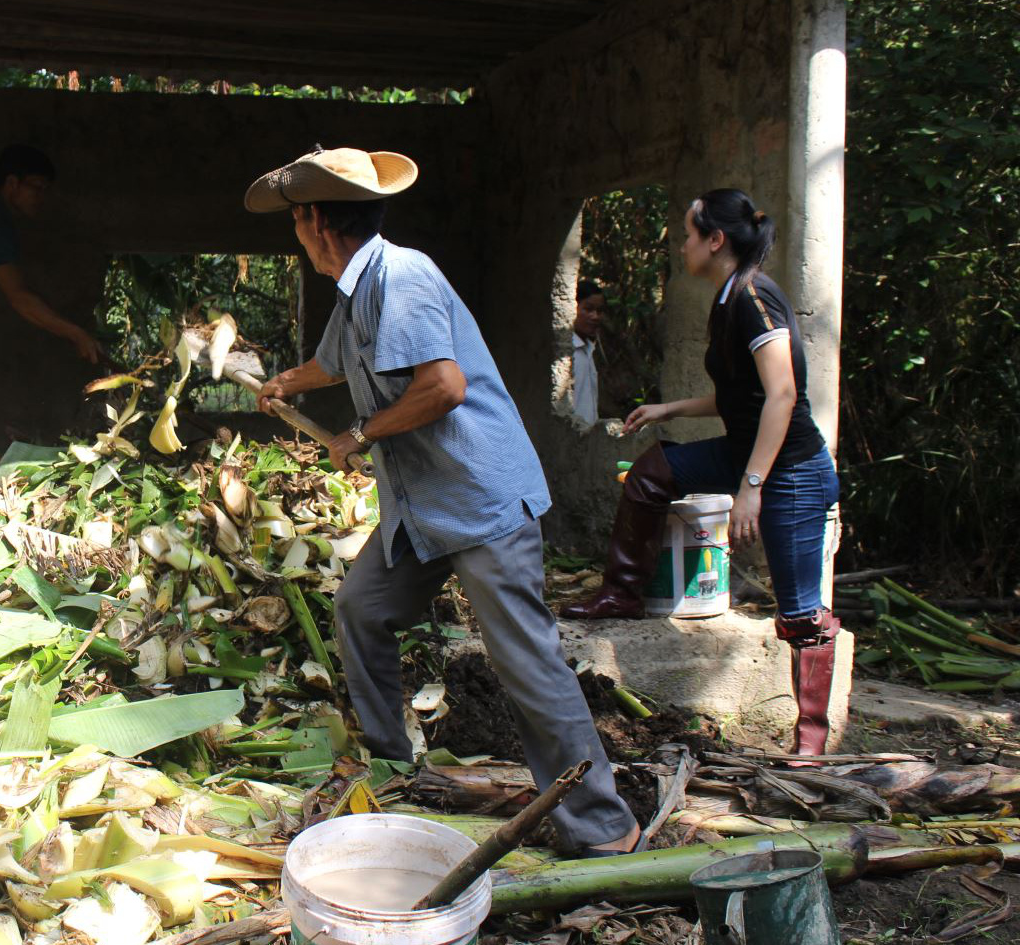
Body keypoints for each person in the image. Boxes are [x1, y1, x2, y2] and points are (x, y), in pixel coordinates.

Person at [245, 146, 641, 856]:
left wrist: (361, 431)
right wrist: (285, 384)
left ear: (313, 221)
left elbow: (444, 387)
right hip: (421, 508)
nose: (296, 234)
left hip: (479, 501)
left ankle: (603, 826)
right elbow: (334, 363)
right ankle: (395, 770)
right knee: (362, 608)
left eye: (296, 223)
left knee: (526, 663)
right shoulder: (357, 288)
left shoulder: (403, 275)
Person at [565, 188, 842, 755]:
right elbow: (737, 397)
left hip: (790, 469)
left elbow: (782, 394)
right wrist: (670, 410)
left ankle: (811, 742)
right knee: (652, 471)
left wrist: (751, 488)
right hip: (746, 449)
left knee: (800, 614)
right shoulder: (727, 297)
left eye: (690, 234)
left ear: (715, 240)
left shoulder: (756, 299)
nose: (683, 243)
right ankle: (621, 594)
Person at [0, 144, 104, 365]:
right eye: (37, 187)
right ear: (12, 183)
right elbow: (20, 297)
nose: (42, 197)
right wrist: (76, 333)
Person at [570, 279, 607, 427]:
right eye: (588, 309)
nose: (595, 316)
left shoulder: (588, 349)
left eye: (599, 311)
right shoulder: (567, 352)